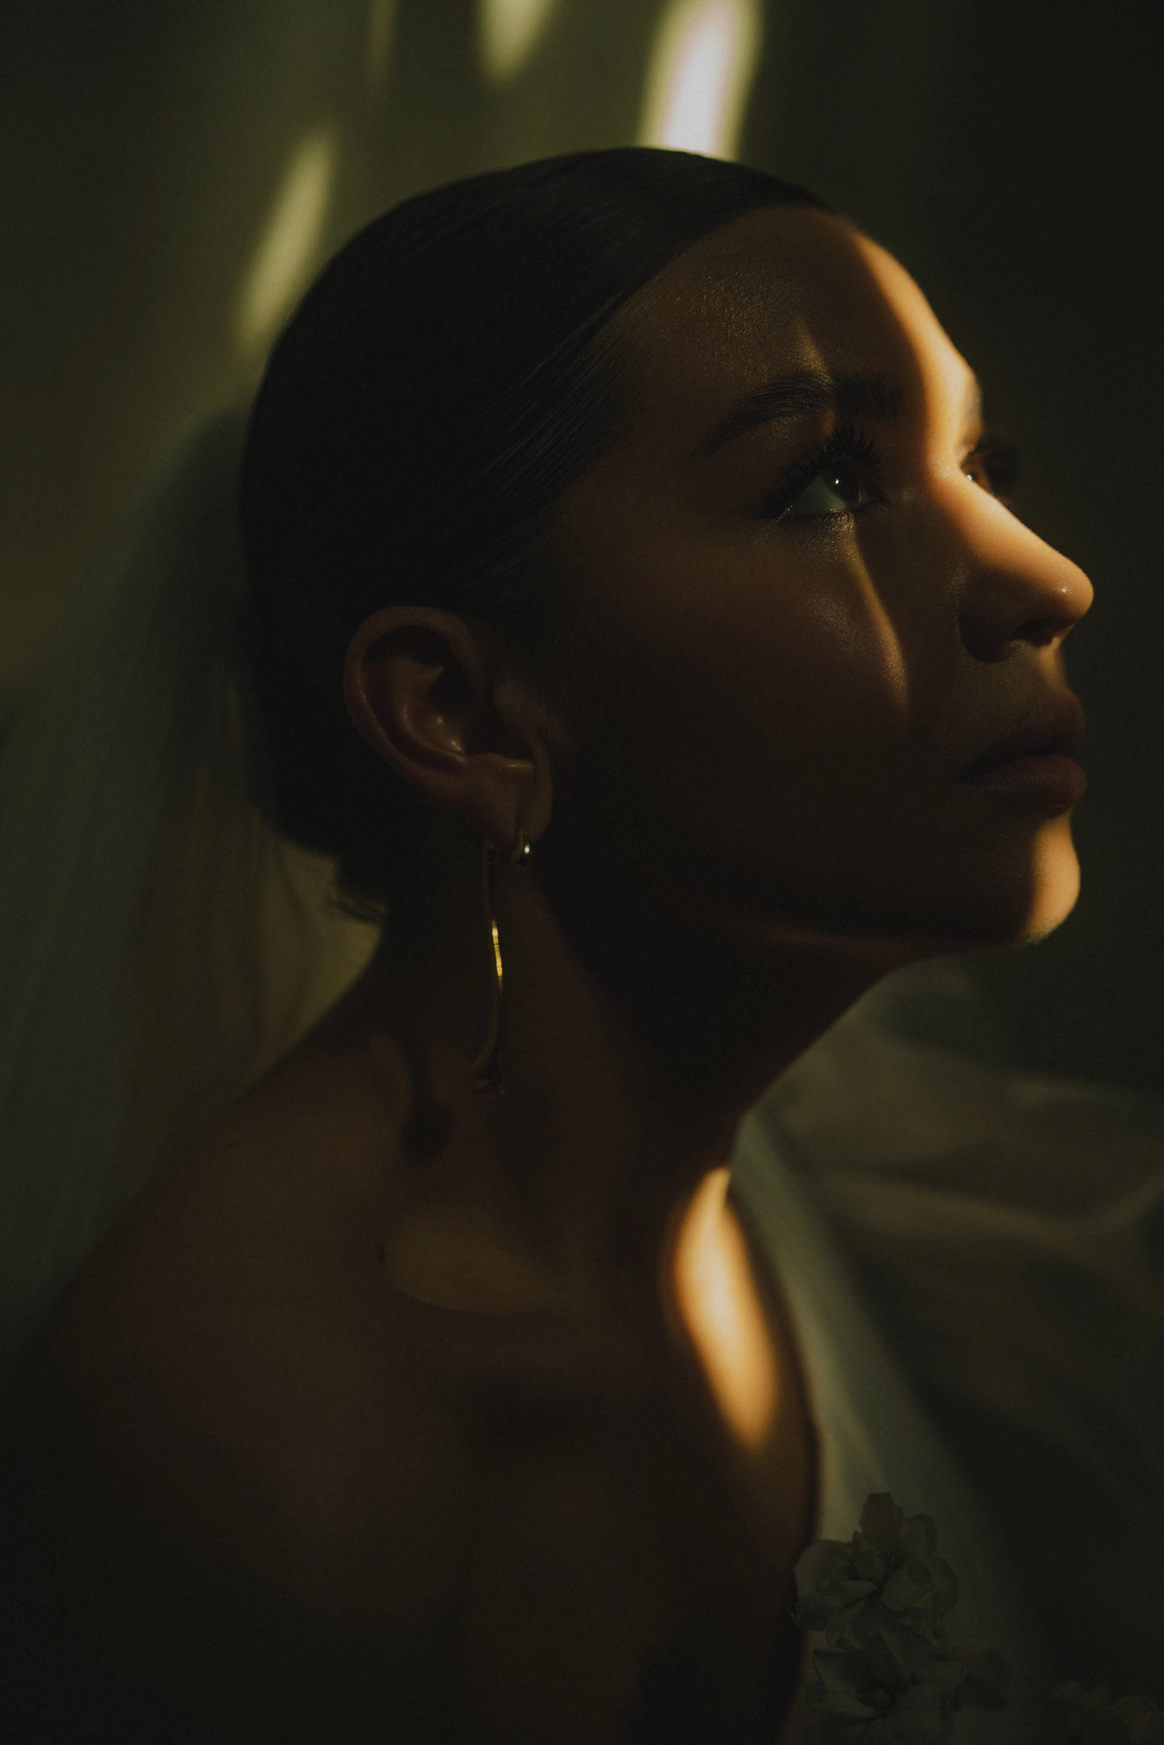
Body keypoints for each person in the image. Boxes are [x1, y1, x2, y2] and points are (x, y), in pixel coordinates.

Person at [0, 147, 1155, 1743]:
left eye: (982, 463)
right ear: (462, 713)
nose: (1047, 576)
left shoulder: (727, 1176)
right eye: (827, 483)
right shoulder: (275, 1463)